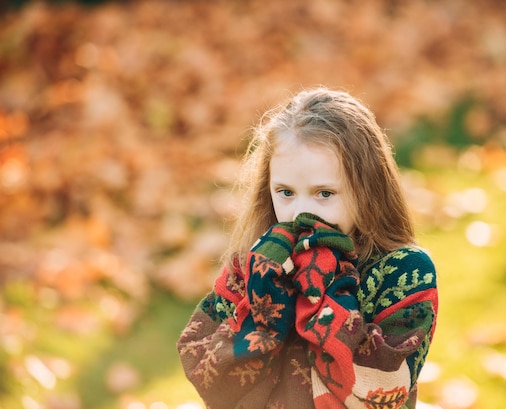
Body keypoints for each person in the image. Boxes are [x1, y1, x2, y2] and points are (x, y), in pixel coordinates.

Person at [177, 87, 438, 409]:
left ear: (367, 188)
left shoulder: (404, 270)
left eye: (324, 193)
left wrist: (321, 282)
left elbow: (382, 391)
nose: (301, 213)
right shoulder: (254, 264)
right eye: (285, 192)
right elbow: (209, 375)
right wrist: (266, 297)